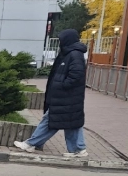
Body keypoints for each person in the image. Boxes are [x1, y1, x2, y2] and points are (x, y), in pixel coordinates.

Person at [14, 29, 89, 158]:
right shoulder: (69, 53)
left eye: (61, 39)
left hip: (66, 96)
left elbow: (76, 74)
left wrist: (62, 85)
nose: (60, 42)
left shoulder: (74, 54)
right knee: (71, 122)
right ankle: (78, 149)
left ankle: (31, 143)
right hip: (66, 96)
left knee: (51, 120)